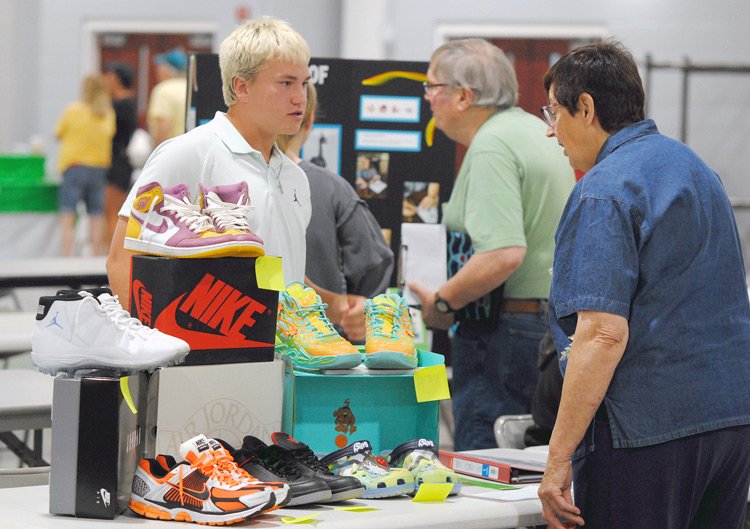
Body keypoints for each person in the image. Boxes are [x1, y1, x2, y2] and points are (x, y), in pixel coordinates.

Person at [537, 40, 750, 529]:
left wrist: (558, 457)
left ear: (585, 107)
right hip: (730, 422)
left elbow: (602, 334)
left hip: (646, 432)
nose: (551, 130)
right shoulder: (698, 170)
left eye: (554, 113)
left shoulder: (604, 189)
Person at [408, 39, 575, 451]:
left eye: (432, 87)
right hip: (544, 327)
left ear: (464, 96)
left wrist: (443, 302)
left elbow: (502, 253)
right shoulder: (535, 131)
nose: (427, 97)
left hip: (502, 335)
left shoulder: (492, 146)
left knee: (488, 464)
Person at [107, 17, 311, 308]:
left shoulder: (295, 177)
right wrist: (148, 336)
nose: (300, 98)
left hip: (280, 337)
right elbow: (121, 259)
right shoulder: (188, 154)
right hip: (195, 338)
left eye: (304, 84)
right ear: (242, 87)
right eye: (286, 83)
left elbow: (271, 268)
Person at [276, 83, 394, 333]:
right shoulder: (333, 189)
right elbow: (374, 264)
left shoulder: (231, 184)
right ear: (309, 121)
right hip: (323, 341)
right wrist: (350, 309)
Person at [56, 74, 115, 256]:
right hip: (98, 168)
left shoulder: (73, 110)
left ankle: (67, 255)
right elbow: (110, 134)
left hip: (74, 166)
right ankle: (96, 254)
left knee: (68, 214)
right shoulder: (107, 112)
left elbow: (58, 133)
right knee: (96, 215)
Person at [102, 62, 138, 247]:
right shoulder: (126, 103)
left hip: (118, 162)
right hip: (119, 161)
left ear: (115, 79)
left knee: (112, 210)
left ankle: (111, 249)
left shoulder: (121, 104)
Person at [147, 48, 188, 148]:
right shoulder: (190, 88)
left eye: (161, 67)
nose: (157, 70)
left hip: (170, 151)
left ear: (169, 69)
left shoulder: (164, 90)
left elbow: (163, 126)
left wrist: (156, 153)